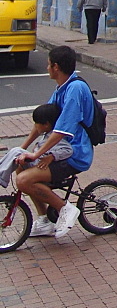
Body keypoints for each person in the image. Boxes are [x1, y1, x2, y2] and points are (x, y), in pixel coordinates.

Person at [15, 44, 94, 237]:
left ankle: (64, 208)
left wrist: (37, 154)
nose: (46, 68)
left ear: (56, 67)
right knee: (21, 167)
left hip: (73, 153)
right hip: (57, 151)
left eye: (48, 64)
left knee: (24, 180)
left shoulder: (75, 89)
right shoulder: (61, 88)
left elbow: (60, 131)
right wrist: (22, 149)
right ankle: (43, 220)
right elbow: (42, 122)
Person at [0, 103, 73, 188]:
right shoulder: (47, 134)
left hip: (40, 165)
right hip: (36, 162)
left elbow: (68, 150)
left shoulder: (55, 137)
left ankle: (2, 178)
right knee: (16, 152)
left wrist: (52, 156)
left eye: (36, 123)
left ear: (46, 124)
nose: (35, 126)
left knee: (17, 151)